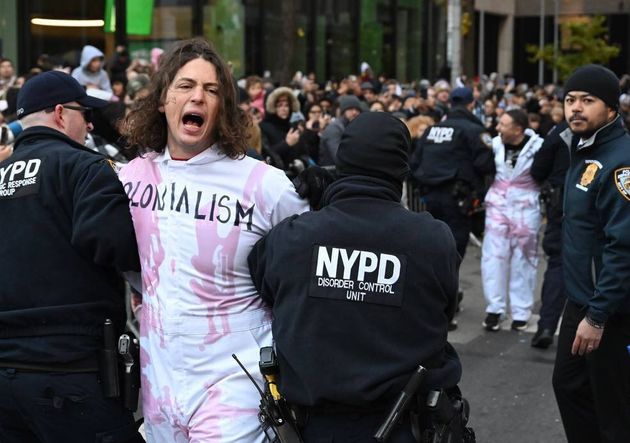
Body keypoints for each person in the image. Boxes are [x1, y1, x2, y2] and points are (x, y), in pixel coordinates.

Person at [118, 38, 309, 442]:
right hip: (161, 382)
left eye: (211, 90)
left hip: (236, 381)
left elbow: (305, 269)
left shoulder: (263, 185)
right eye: (185, 86)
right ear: (162, 101)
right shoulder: (131, 178)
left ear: (223, 106)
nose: (198, 97)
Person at [248, 112, 466, 442]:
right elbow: (444, 311)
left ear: (342, 162)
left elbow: (260, 278)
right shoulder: (434, 240)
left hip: (316, 426)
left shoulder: (293, 237)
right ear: (401, 173)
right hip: (403, 426)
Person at [0, 71, 143, 441]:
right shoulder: (84, 169)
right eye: (86, 113)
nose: (91, 123)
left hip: (7, 377)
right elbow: (118, 246)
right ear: (61, 114)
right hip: (71, 372)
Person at [552, 64, 630, 442]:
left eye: (588, 100)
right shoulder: (583, 147)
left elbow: (623, 246)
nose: (576, 108)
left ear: (611, 109)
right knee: (568, 386)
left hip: (608, 307)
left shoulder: (620, 161)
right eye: (570, 100)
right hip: (580, 298)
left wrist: (598, 316)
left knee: (613, 410)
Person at [410, 87, 495, 260]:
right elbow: (485, 165)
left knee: (433, 242)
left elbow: (414, 164)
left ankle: (434, 283)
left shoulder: (431, 130)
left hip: (430, 195)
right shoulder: (474, 130)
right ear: (471, 104)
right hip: (459, 198)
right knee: (455, 243)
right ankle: (448, 285)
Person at [481, 109, 543, 331]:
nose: (498, 127)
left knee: (524, 258)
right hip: (498, 205)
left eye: (503, 124)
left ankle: (520, 311)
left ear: (518, 129)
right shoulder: (495, 145)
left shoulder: (538, 146)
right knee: (493, 257)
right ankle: (495, 309)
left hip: (526, 208)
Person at [529, 120, 570, 349]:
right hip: (595, 211)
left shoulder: (560, 132)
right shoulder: (614, 130)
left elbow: (538, 169)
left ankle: (547, 326)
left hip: (562, 208)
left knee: (558, 266)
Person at [318, 94, 362, 166]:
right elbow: (338, 157)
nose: (354, 112)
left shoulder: (354, 127)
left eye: (357, 110)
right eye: (350, 109)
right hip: (331, 172)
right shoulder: (334, 128)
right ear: (343, 111)